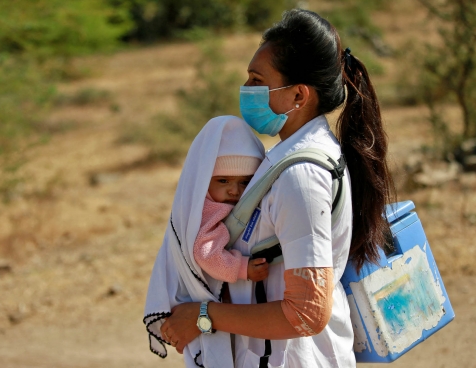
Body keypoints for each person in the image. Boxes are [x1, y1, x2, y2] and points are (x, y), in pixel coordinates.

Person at [159, 8, 395, 368]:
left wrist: (202, 316)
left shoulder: (301, 178)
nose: (247, 90)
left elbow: (307, 313)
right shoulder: (290, 157)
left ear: (298, 96)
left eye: (257, 80)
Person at [143, 115, 266, 368]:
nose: (234, 190)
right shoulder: (210, 208)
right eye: (223, 181)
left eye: (245, 182)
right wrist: (242, 268)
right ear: (205, 181)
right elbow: (205, 252)